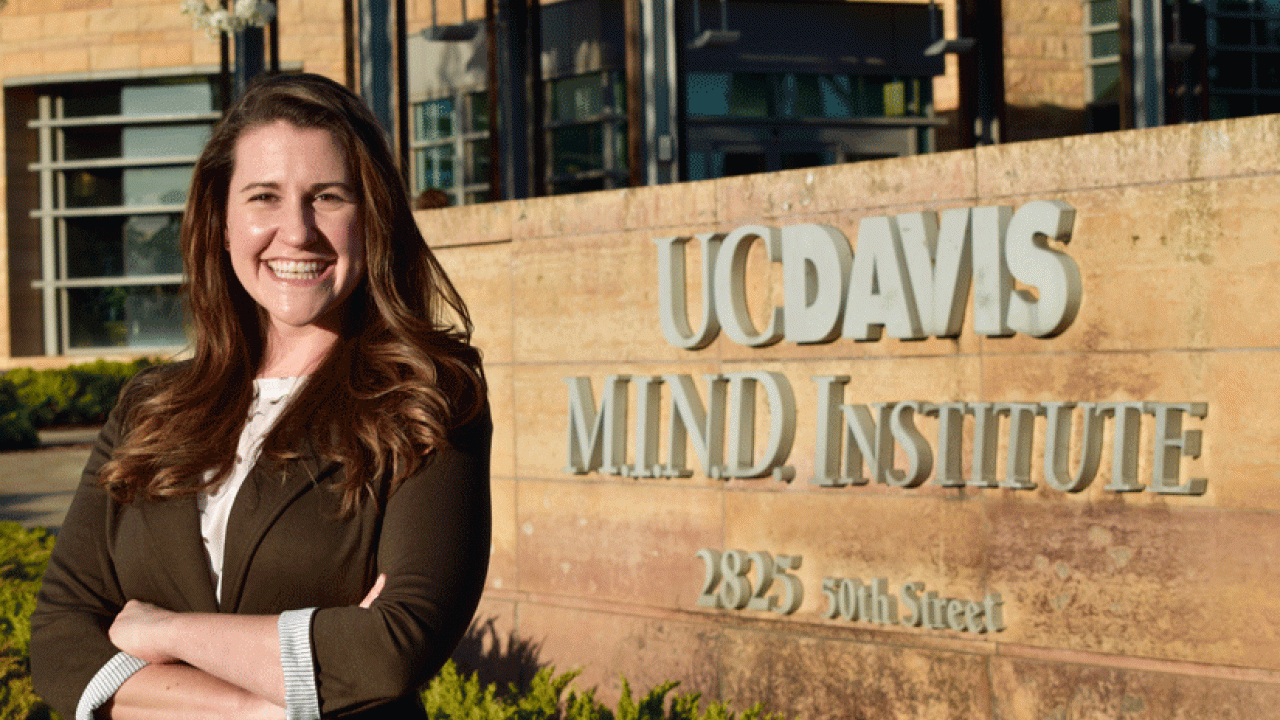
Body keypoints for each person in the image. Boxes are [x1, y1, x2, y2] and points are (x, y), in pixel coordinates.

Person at [29, 72, 491, 720]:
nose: (296, 231)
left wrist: (162, 632)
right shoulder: (150, 409)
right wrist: (258, 706)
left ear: (372, 218)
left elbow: (391, 648)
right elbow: (57, 642)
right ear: (222, 222)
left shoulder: (427, 397)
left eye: (327, 196)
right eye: (264, 197)